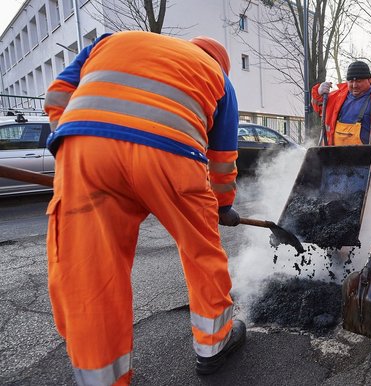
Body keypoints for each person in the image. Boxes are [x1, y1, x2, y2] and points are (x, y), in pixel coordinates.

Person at [43, 31, 245, 384]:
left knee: (91, 266)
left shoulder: (113, 40)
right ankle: (215, 343)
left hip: (85, 150)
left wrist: (70, 149)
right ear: (221, 63)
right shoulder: (219, 78)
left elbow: (58, 92)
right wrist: (222, 206)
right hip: (174, 155)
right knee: (201, 250)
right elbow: (222, 159)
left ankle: (102, 376)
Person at [311, 61, 371, 248]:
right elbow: (319, 108)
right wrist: (317, 92)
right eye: (351, 81)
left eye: (359, 81)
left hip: (369, 165)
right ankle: (334, 249)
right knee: (334, 207)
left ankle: (362, 251)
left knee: (365, 211)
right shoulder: (338, 95)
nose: (354, 85)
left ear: (369, 80)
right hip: (337, 166)